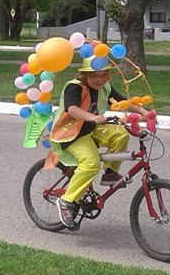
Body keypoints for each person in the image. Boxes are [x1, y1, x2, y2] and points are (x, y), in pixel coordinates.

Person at [50, 56, 150, 228]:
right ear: (85, 75)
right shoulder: (75, 87)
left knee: (121, 135)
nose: (100, 80)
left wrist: (145, 113)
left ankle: (110, 172)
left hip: (90, 128)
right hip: (71, 133)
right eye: (95, 75)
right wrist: (93, 117)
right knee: (91, 163)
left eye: (104, 75)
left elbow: (123, 102)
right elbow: (72, 109)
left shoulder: (105, 87)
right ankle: (67, 201)